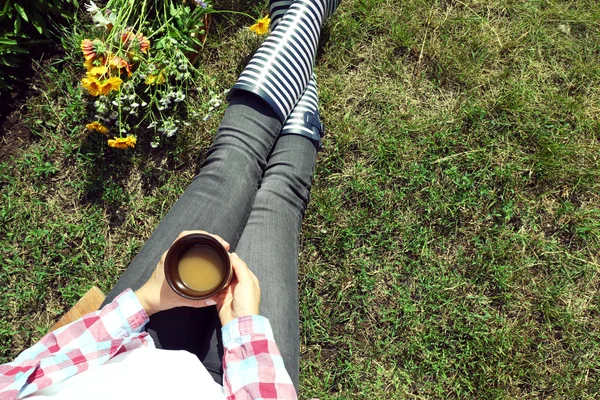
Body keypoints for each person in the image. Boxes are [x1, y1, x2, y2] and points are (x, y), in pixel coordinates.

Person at [0, 0, 341, 399]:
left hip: (130, 350)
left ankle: (299, 20)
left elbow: (24, 378)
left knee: (232, 165)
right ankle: (299, 18)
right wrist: (246, 332)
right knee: (278, 198)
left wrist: (144, 301)